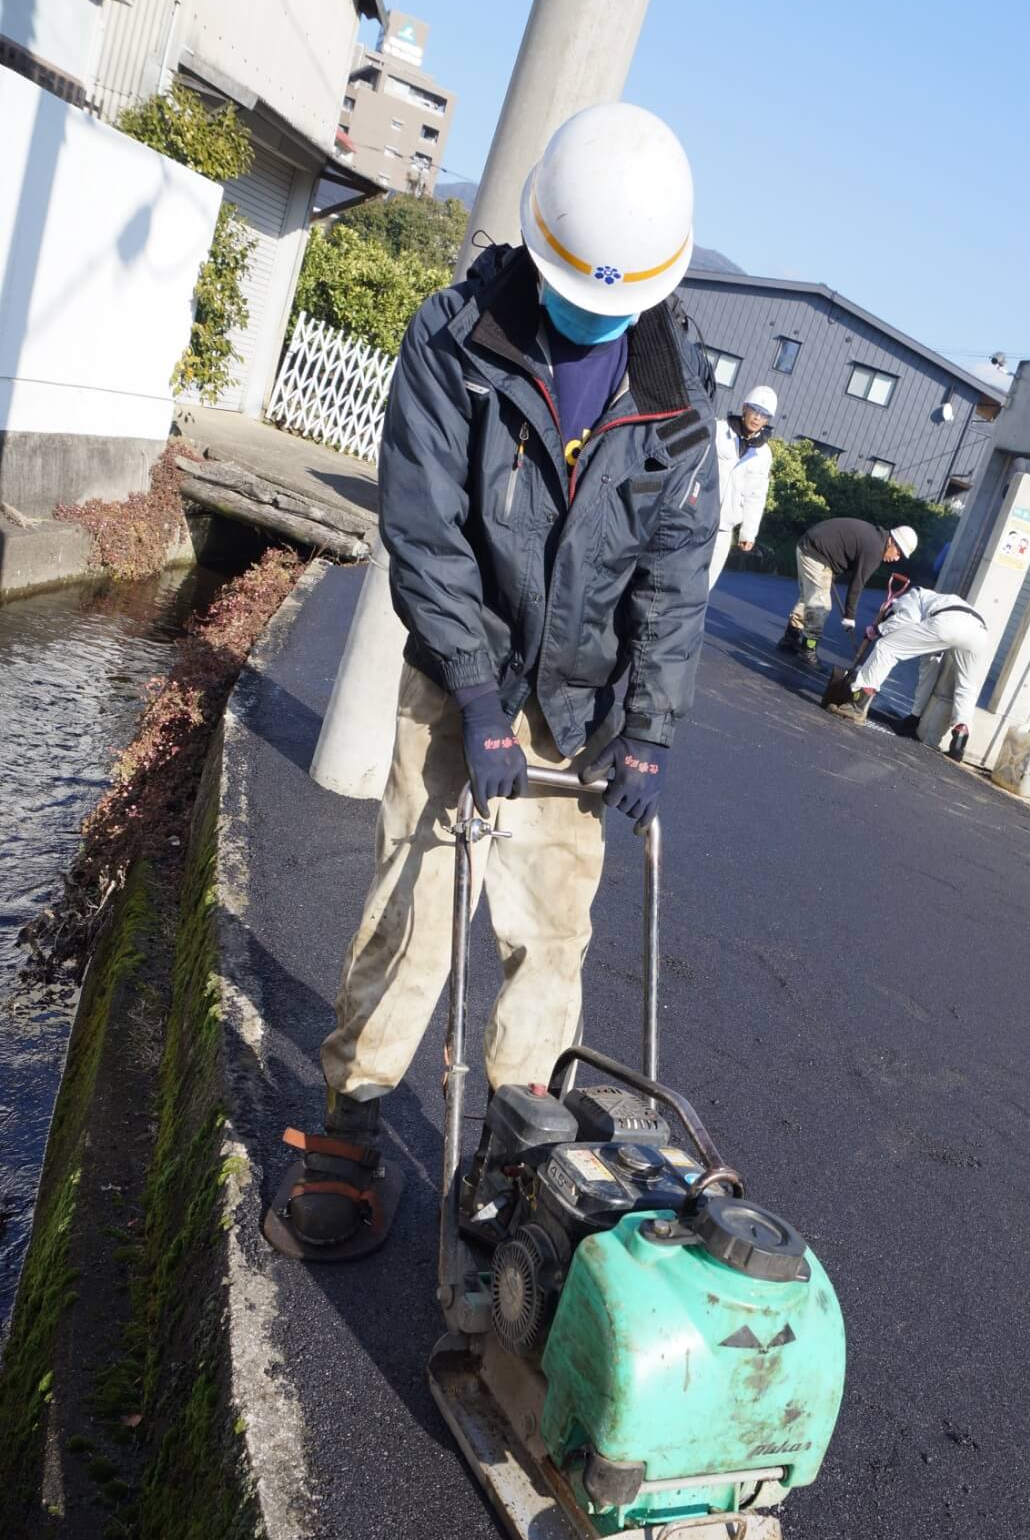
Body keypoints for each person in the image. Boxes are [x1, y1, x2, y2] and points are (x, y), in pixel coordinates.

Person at [268, 103, 718, 1260]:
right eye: (575, 290)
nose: (586, 317)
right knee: (414, 915)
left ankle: (517, 1147)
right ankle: (353, 1123)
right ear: (537, 242)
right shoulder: (456, 337)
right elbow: (425, 531)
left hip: (576, 704)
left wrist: (650, 731)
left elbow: (674, 577)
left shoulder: (673, 398)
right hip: (456, 680)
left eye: (612, 303)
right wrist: (473, 695)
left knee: (551, 935)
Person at [825, 580, 990, 751]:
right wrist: (915, 715)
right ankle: (960, 736)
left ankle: (857, 706)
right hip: (979, 633)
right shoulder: (936, 603)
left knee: (886, 647)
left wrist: (878, 629)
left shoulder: (912, 596)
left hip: (948, 623)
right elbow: (929, 669)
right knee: (966, 685)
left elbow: (904, 618)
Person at [777, 518, 918, 670]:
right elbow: (857, 584)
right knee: (820, 605)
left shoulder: (875, 538)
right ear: (892, 541)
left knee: (810, 597)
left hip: (809, 545)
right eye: (898, 552)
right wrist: (849, 617)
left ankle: (790, 638)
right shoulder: (874, 550)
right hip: (815, 552)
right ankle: (808, 650)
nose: (896, 558)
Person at [707, 385, 777, 589]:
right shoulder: (719, 430)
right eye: (754, 410)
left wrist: (748, 532)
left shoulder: (763, 453)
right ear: (744, 408)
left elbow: (756, 495)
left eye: (764, 415)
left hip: (724, 527)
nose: (757, 418)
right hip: (694, 518)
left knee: (706, 585)